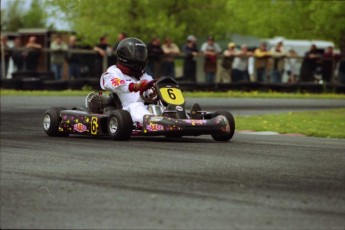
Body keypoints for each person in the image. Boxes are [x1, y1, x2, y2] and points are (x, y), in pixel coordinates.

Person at [100, 37, 155, 125]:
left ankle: (176, 119)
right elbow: (113, 84)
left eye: (142, 54)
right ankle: (153, 123)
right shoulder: (114, 71)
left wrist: (155, 91)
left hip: (147, 108)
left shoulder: (144, 75)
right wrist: (135, 86)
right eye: (138, 55)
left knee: (167, 107)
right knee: (137, 105)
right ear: (125, 56)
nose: (140, 57)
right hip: (127, 110)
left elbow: (151, 91)